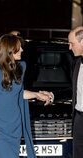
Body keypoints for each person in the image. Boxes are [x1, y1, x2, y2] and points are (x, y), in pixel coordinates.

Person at [0, 34, 53, 158]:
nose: (22, 50)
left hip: (15, 125)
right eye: (19, 48)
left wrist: (37, 94)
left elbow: (18, 94)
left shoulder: (21, 68)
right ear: (9, 51)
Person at [68, 26, 83, 158]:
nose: (69, 47)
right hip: (79, 118)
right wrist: (53, 95)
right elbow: (74, 89)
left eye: (71, 43)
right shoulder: (77, 63)